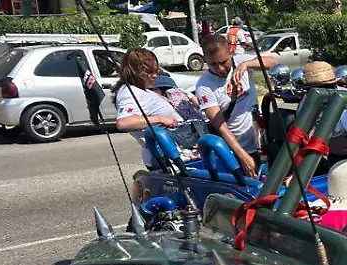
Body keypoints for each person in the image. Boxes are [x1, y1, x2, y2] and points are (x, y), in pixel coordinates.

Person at [196, 34, 277, 178]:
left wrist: (246, 64)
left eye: (223, 62)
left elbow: (273, 62)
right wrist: (242, 155)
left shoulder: (241, 61)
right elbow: (220, 125)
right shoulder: (204, 86)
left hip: (259, 142)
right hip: (235, 150)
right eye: (213, 64)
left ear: (230, 52)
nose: (220, 68)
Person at [113, 48, 181, 167]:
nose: (154, 76)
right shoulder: (129, 92)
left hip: (175, 151)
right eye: (149, 72)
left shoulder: (142, 90)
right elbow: (124, 122)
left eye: (156, 71)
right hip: (164, 157)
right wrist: (160, 119)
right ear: (134, 71)